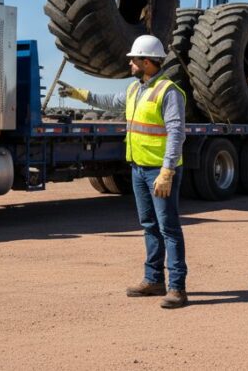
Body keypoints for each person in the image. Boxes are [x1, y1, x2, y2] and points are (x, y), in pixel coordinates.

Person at [58, 34, 188, 309]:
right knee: (149, 226)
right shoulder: (134, 90)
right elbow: (109, 100)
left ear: (148, 62)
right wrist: (79, 94)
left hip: (159, 172)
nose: (130, 64)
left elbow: (176, 133)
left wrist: (167, 171)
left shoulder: (168, 91)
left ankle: (177, 288)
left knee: (169, 229)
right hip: (138, 169)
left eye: (134, 59)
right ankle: (153, 280)